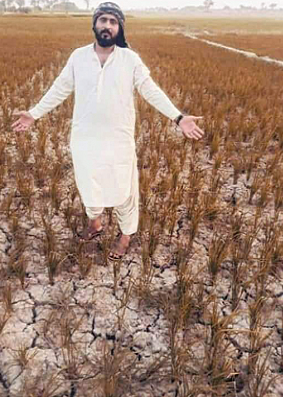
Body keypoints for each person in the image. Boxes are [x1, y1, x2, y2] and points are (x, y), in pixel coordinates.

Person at [11, 2, 204, 261]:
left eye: (113, 22)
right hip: (84, 139)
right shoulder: (78, 57)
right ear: (95, 24)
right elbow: (59, 88)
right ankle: (96, 224)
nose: (107, 26)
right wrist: (33, 114)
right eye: (103, 20)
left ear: (119, 28)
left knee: (124, 191)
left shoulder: (129, 59)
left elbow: (150, 90)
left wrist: (179, 118)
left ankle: (125, 235)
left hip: (118, 140)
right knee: (89, 186)